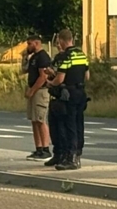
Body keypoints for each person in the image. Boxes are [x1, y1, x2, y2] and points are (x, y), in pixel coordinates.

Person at [44, 29, 90, 171]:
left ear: (63, 41)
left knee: (68, 126)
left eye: (59, 42)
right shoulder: (82, 55)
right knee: (78, 124)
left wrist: (50, 82)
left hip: (67, 94)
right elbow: (87, 76)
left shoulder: (65, 57)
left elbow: (60, 79)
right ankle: (76, 155)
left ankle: (70, 157)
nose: (59, 44)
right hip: (80, 93)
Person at [23, 35, 52, 161]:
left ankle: (46, 149)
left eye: (29, 44)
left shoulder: (43, 57)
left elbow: (43, 77)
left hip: (40, 91)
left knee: (40, 120)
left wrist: (32, 90)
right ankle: (38, 148)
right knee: (34, 120)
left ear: (37, 43)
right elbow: (24, 70)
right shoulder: (33, 57)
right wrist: (24, 57)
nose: (28, 46)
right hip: (33, 90)